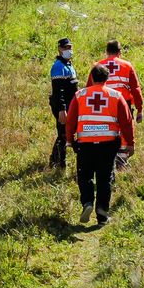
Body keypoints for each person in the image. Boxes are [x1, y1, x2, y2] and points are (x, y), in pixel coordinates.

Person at [65, 64, 136, 225]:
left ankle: (87, 203)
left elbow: (70, 120)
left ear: (91, 77)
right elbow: (126, 122)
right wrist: (130, 143)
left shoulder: (79, 95)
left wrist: (69, 140)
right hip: (108, 144)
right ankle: (102, 215)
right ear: (107, 78)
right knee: (105, 179)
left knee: (85, 176)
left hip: (85, 144)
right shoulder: (116, 95)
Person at [47, 37, 79, 170]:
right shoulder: (58, 67)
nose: (68, 50)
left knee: (65, 133)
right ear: (59, 49)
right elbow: (58, 91)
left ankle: (57, 161)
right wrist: (62, 109)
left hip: (70, 105)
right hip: (63, 106)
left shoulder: (68, 65)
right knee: (63, 134)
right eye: (66, 48)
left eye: (70, 47)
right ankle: (58, 162)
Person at [93, 39, 143, 123]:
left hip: (103, 104)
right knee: (125, 132)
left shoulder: (97, 66)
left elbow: (89, 88)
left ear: (106, 52)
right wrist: (139, 109)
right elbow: (135, 89)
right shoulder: (127, 66)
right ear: (119, 52)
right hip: (123, 103)